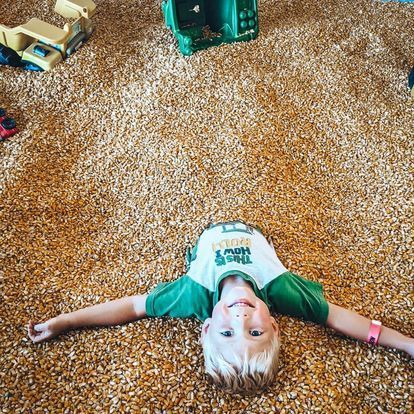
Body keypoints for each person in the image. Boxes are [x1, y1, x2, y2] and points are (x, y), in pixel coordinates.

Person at [28, 221, 414, 394]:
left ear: (206, 327)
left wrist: (65, 320)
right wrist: (408, 344)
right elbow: (341, 319)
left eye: (229, 332)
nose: (242, 318)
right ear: (275, 327)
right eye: (256, 332)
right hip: (254, 229)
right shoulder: (282, 290)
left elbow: (131, 306)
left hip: (207, 237)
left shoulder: (192, 295)